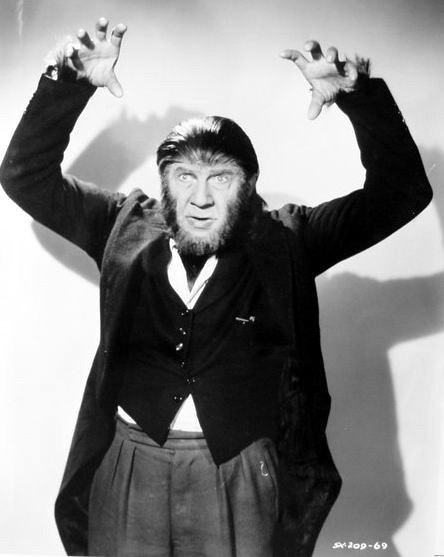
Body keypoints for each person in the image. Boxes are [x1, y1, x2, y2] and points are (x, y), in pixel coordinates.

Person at [0, 18, 432, 557]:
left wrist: (359, 99)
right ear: (165, 184)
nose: (200, 198)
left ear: (247, 187)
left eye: (220, 178)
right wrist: (67, 85)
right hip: (129, 462)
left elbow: (401, 192)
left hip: (238, 471)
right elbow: (25, 176)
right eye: (185, 177)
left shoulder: (287, 240)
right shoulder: (121, 225)